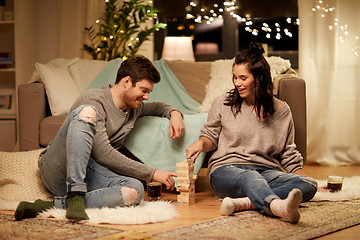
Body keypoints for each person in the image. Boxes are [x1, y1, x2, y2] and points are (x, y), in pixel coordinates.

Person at [15, 56, 185, 221]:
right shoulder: (94, 99)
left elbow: (158, 107)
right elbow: (103, 153)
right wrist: (152, 173)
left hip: (90, 172)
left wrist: (174, 113)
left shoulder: (134, 109)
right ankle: (75, 192)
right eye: (144, 90)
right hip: (59, 167)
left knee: (135, 190)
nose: (146, 97)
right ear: (127, 82)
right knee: (87, 112)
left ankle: (54, 205)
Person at [185, 42, 318, 223]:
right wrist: (200, 143)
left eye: (243, 78)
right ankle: (275, 206)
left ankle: (244, 203)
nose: (237, 83)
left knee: (309, 185)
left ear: (259, 78)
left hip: (266, 171)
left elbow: (288, 152)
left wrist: (300, 176)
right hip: (226, 170)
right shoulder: (223, 102)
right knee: (251, 177)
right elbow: (210, 136)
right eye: (235, 78)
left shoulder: (282, 110)